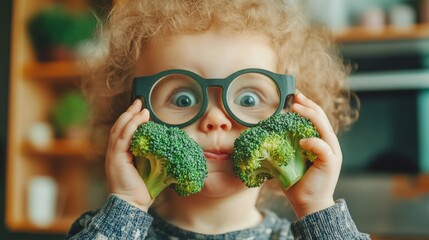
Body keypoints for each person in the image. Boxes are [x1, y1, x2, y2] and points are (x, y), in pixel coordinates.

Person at [67, 0, 370, 239]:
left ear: (292, 113)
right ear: (128, 114)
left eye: (249, 99)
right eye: (182, 99)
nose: (216, 119)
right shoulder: (110, 230)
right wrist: (127, 205)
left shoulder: (300, 236)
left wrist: (317, 208)